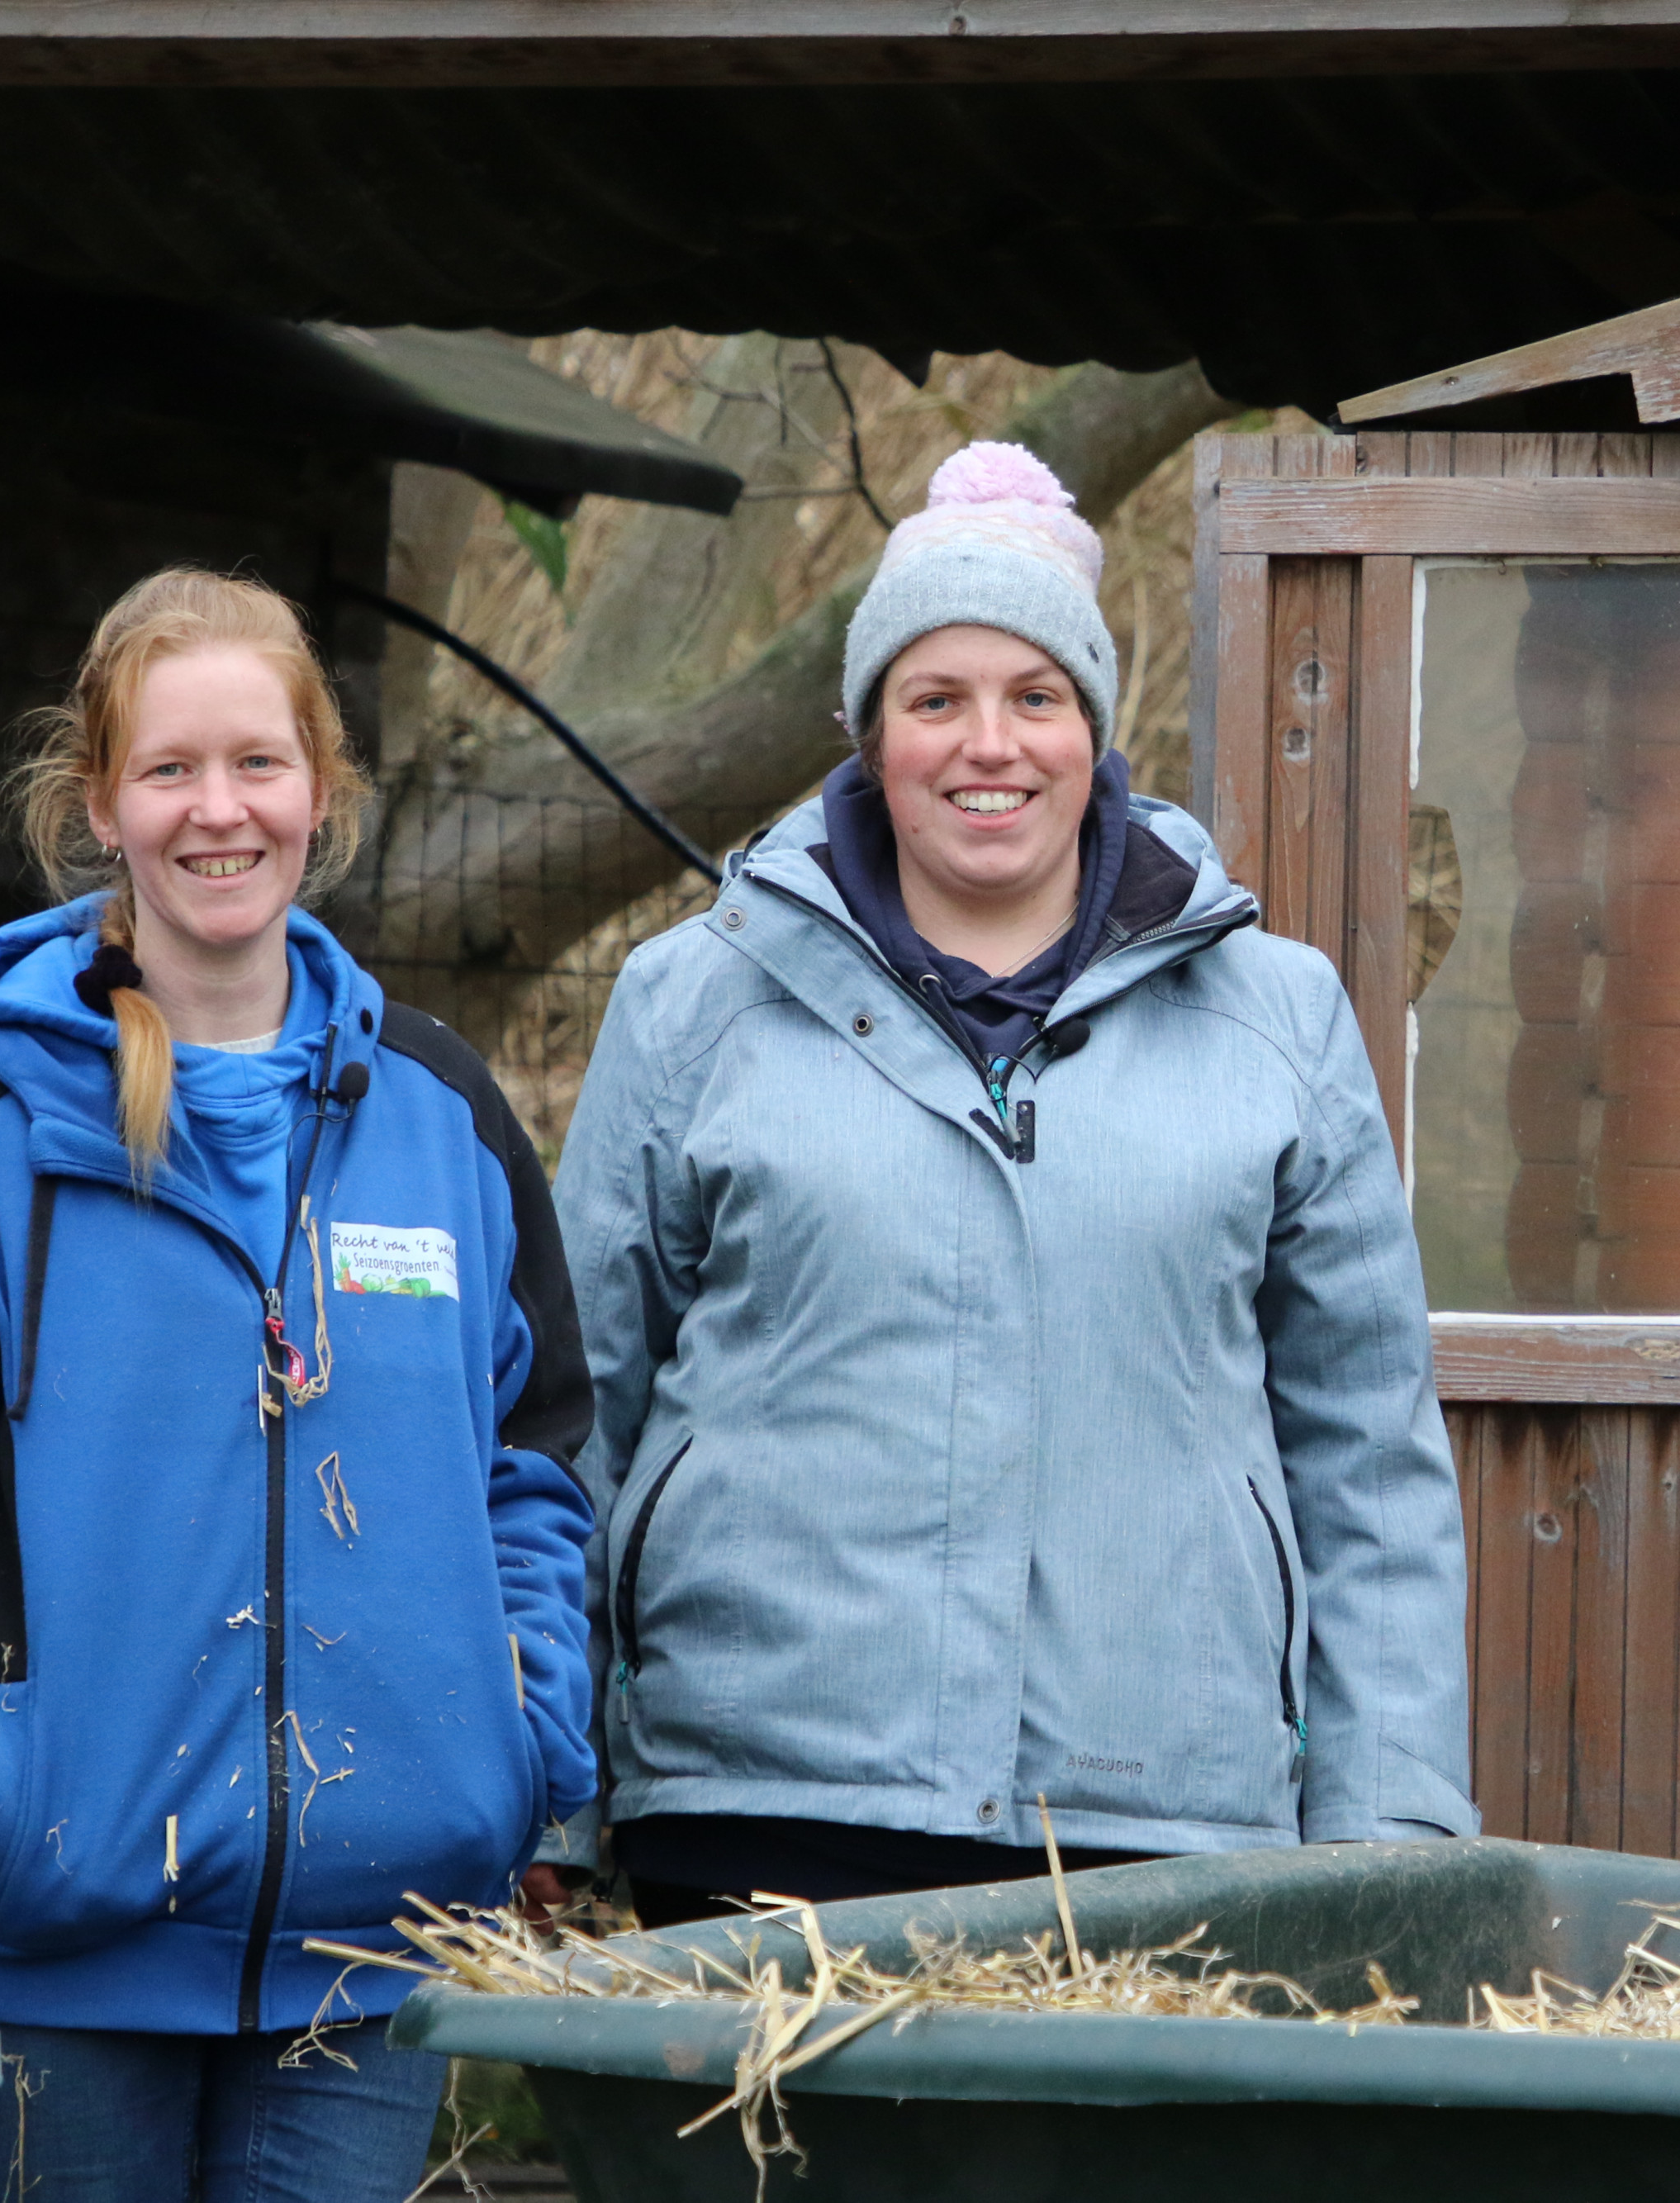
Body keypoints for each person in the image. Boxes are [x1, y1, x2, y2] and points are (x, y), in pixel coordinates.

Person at [549, 444, 1474, 1928]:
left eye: (1035, 697)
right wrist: (555, 1792)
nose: (992, 744)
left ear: (1094, 727)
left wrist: (1391, 1828)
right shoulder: (692, 1004)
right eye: (937, 699)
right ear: (870, 735)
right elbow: (581, 1409)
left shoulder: (1275, 1019)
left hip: (1158, 1815)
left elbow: (1367, 1460)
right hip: (763, 1806)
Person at [0, 568, 596, 2201]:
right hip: (58, 1942)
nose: (218, 811)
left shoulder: (438, 1118)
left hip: (373, 1945)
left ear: (323, 789)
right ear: (101, 804)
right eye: (169, 770)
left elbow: (533, 1459)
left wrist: (515, 1734)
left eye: (257, 764)